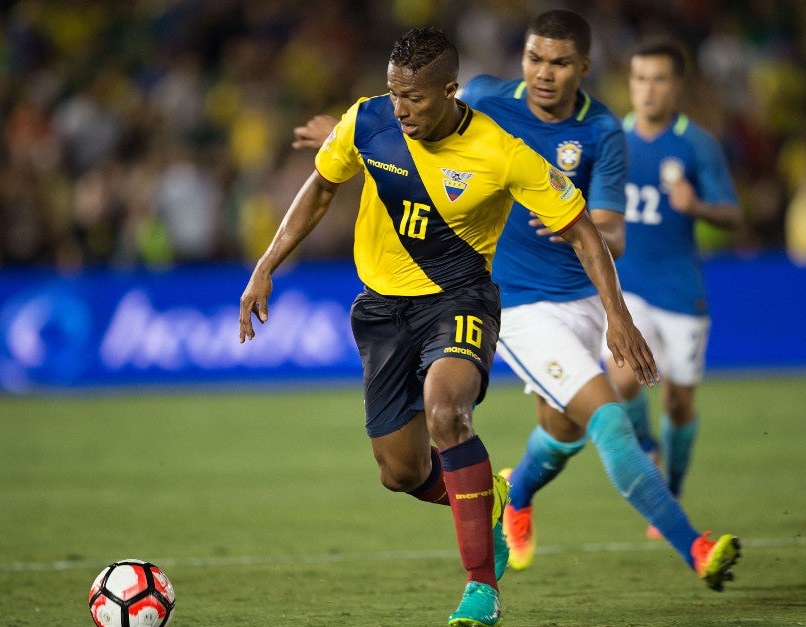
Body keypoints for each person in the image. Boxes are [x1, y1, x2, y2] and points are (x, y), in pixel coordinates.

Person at [290, 11, 740, 594]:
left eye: (558, 63)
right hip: (520, 303)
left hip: (581, 297)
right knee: (608, 420)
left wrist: (595, 268)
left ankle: (514, 494)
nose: (543, 74)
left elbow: (608, 233)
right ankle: (697, 547)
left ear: (583, 67)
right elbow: (409, 127)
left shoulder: (603, 130)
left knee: (562, 430)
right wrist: (348, 132)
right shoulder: (486, 100)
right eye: (533, 59)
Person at [242, 27, 657, 627]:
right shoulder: (368, 121)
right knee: (401, 473)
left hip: (459, 299)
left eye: (415, 98)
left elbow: (581, 230)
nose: (401, 109)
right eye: (394, 94)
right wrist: (265, 265)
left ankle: (480, 587)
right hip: (383, 310)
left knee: (447, 413)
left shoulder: (501, 151)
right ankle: (488, 494)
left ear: (451, 90)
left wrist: (617, 315)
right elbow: (322, 187)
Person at [602, 40, 743, 538]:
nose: (647, 89)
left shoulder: (696, 144)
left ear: (676, 85)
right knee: (622, 379)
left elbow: (732, 212)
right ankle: (648, 450)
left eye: (658, 79)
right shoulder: (611, 137)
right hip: (628, 289)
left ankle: (675, 488)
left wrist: (696, 205)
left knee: (680, 403)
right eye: (640, 78)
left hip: (681, 291)